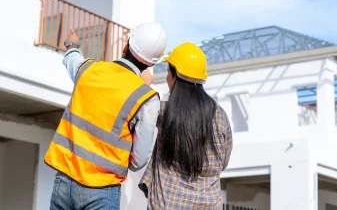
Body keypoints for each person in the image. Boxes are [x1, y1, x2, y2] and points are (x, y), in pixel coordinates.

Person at [45, 22, 167, 210]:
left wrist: (72, 45)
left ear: (126, 45)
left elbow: (72, 60)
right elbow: (139, 160)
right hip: (102, 190)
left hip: (65, 180)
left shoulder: (88, 70)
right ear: (151, 64)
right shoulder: (146, 99)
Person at [139, 42, 233, 209]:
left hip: (167, 204)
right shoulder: (220, 116)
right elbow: (223, 162)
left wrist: (143, 85)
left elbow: (142, 109)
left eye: (169, 71)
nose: (167, 76)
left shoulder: (164, 111)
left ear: (175, 76)